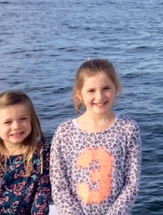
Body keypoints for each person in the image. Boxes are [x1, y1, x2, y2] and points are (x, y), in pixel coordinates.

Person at [51, 58, 142, 215]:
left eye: (106, 88)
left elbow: (132, 184)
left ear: (116, 88)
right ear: (79, 93)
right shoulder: (64, 132)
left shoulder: (128, 128)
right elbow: (59, 185)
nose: (99, 97)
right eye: (91, 90)